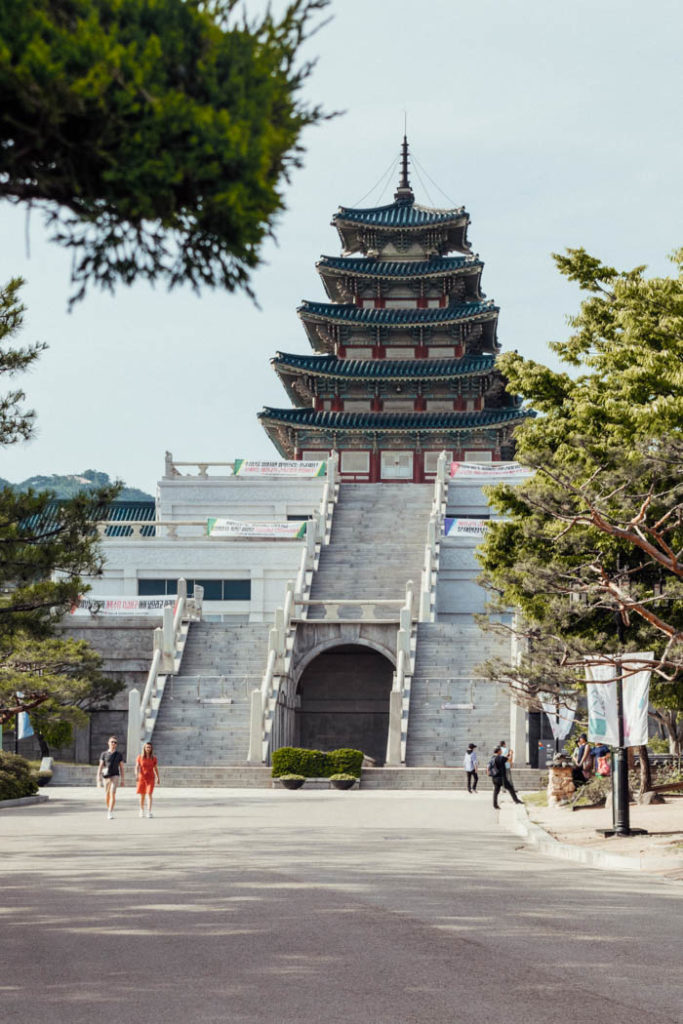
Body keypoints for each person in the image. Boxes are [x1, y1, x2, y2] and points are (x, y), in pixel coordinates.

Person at [97, 736, 125, 819]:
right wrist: (98, 777)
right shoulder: (104, 754)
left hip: (115, 775)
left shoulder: (119, 754)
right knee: (107, 794)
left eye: (115, 742)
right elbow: (101, 766)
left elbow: (122, 768)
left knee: (113, 793)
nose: (113, 743)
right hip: (106, 776)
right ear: (108, 743)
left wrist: (122, 779)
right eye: (112, 742)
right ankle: (108, 808)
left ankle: (110, 811)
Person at [135, 741, 160, 818]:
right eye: (146, 747)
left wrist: (158, 777)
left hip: (150, 778)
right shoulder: (139, 757)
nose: (148, 749)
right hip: (142, 778)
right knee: (142, 795)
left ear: (151, 748)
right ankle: (141, 810)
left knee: (149, 794)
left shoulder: (154, 758)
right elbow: (136, 767)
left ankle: (149, 811)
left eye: (149, 747)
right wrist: (136, 774)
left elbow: (155, 768)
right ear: (144, 748)